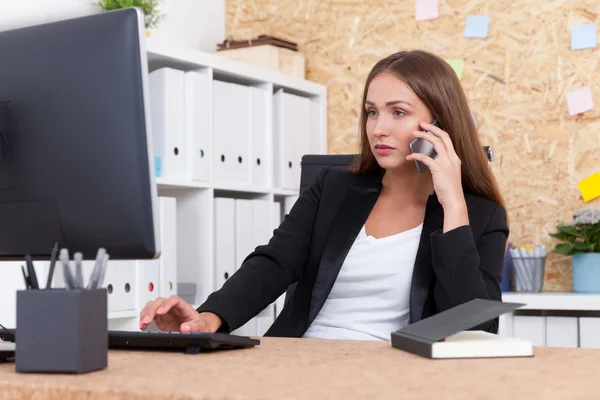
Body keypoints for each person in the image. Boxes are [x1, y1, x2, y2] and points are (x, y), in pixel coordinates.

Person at [139, 50, 509, 341]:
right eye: (371, 112)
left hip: (391, 375)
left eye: (398, 112)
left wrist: (453, 205)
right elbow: (273, 264)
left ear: (440, 124)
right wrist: (208, 318)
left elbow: (474, 330)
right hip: (303, 359)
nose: (378, 129)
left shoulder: (479, 215)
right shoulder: (333, 188)